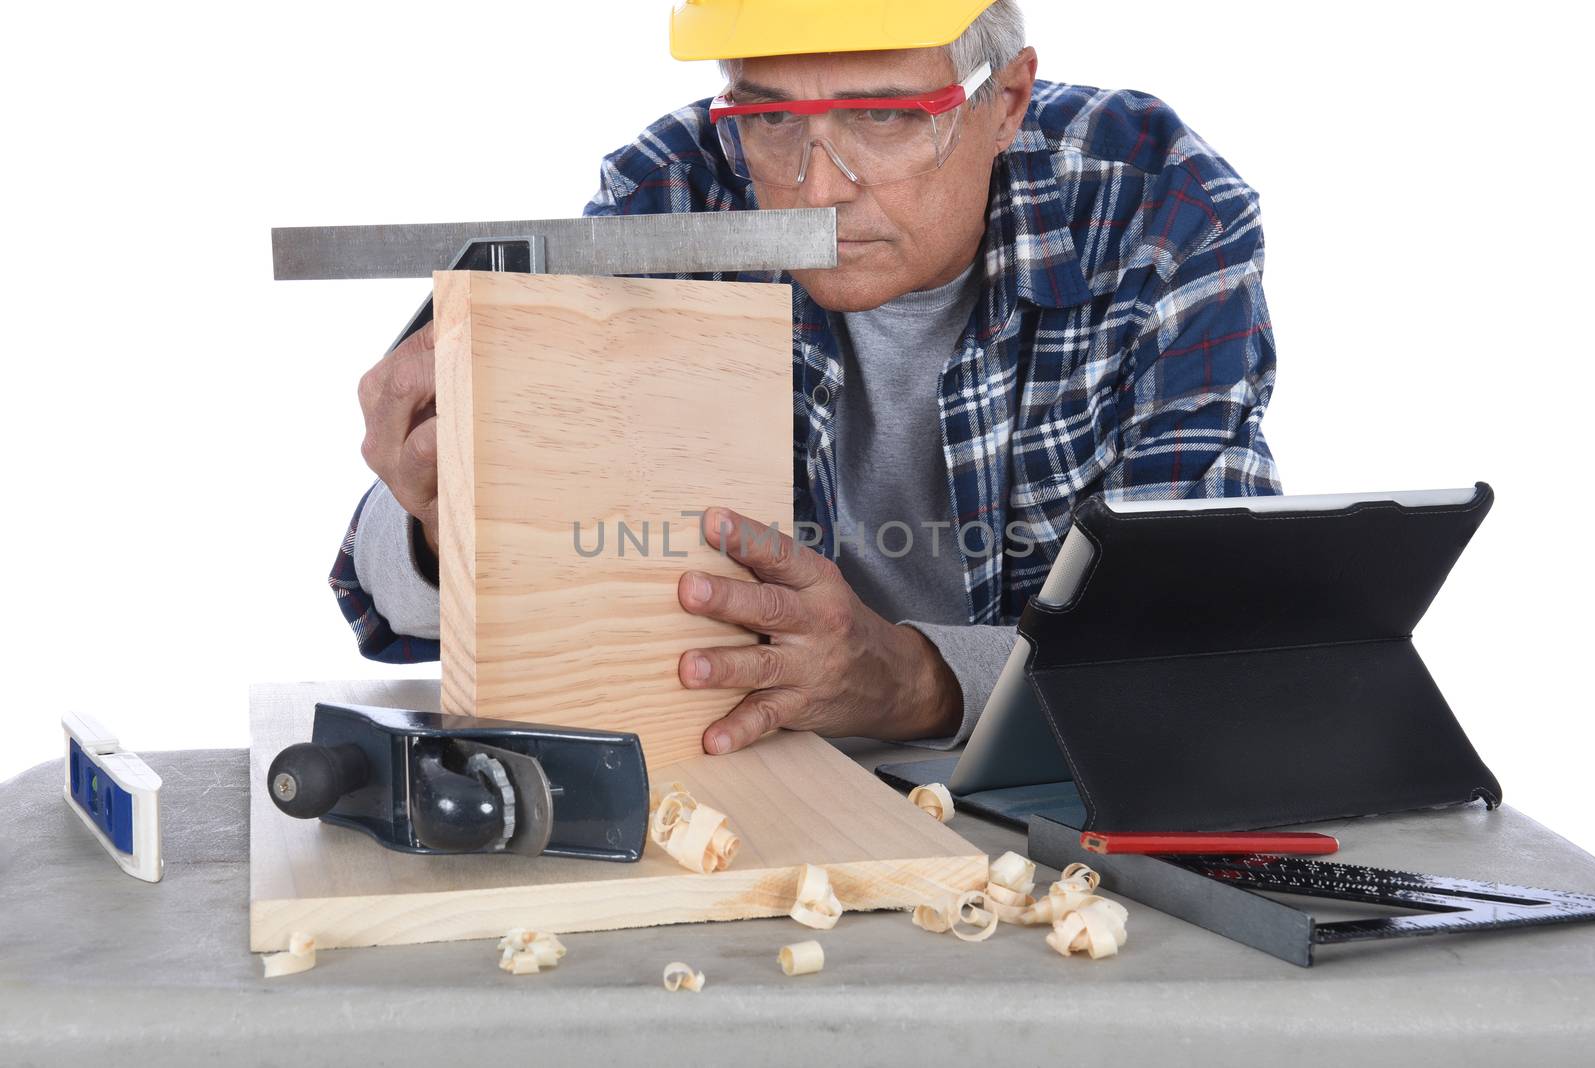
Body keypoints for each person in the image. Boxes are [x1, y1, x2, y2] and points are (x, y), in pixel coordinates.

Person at [333, 0, 1282, 758]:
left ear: (1007, 100)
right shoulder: (670, 196)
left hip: (1064, 783)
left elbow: (1204, 645)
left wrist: (913, 681)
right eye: (773, 118)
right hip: (759, 768)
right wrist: (435, 513)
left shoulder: (1159, 210)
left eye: (885, 116)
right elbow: (402, 612)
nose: (818, 185)